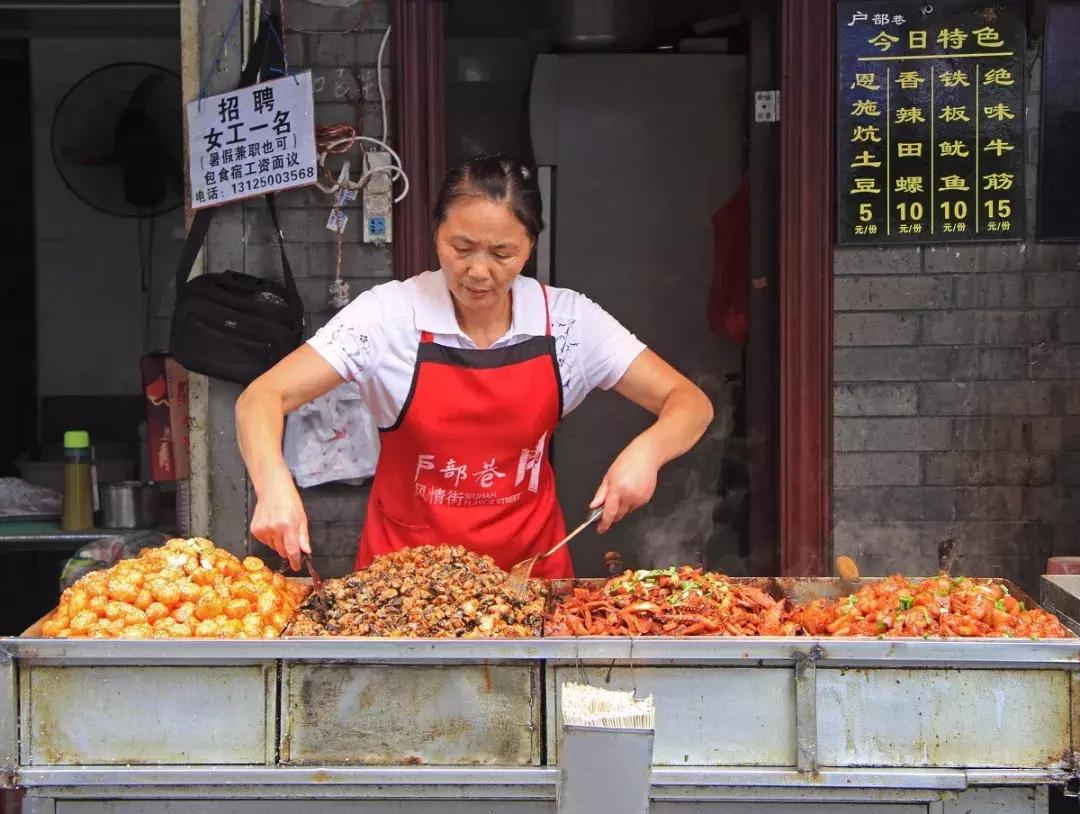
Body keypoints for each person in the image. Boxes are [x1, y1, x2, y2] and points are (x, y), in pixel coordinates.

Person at [236, 155, 714, 578]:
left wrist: (648, 451)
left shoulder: (568, 320)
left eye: (502, 253)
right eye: (460, 248)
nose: (479, 271)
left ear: (529, 248)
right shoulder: (388, 316)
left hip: (530, 576)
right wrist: (273, 482)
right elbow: (262, 396)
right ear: (436, 233)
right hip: (404, 584)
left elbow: (689, 403)